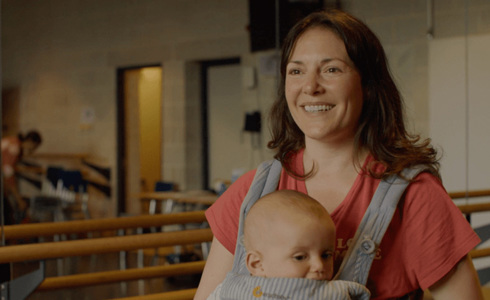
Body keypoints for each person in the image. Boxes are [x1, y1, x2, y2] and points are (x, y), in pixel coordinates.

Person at [195, 8, 483, 300]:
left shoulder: (414, 196)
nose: (310, 87)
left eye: (331, 69)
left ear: (368, 86)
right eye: (296, 71)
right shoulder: (251, 193)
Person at [207, 189, 370, 300]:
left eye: (326, 255)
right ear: (257, 264)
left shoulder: (336, 293)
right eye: (300, 257)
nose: (319, 265)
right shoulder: (233, 288)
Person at [1, 130, 42, 224]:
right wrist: (18, 199)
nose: (32, 150)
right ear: (31, 142)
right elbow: (8, 175)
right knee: (6, 214)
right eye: (34, 147)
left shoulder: (13, 141)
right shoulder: (14, 147)